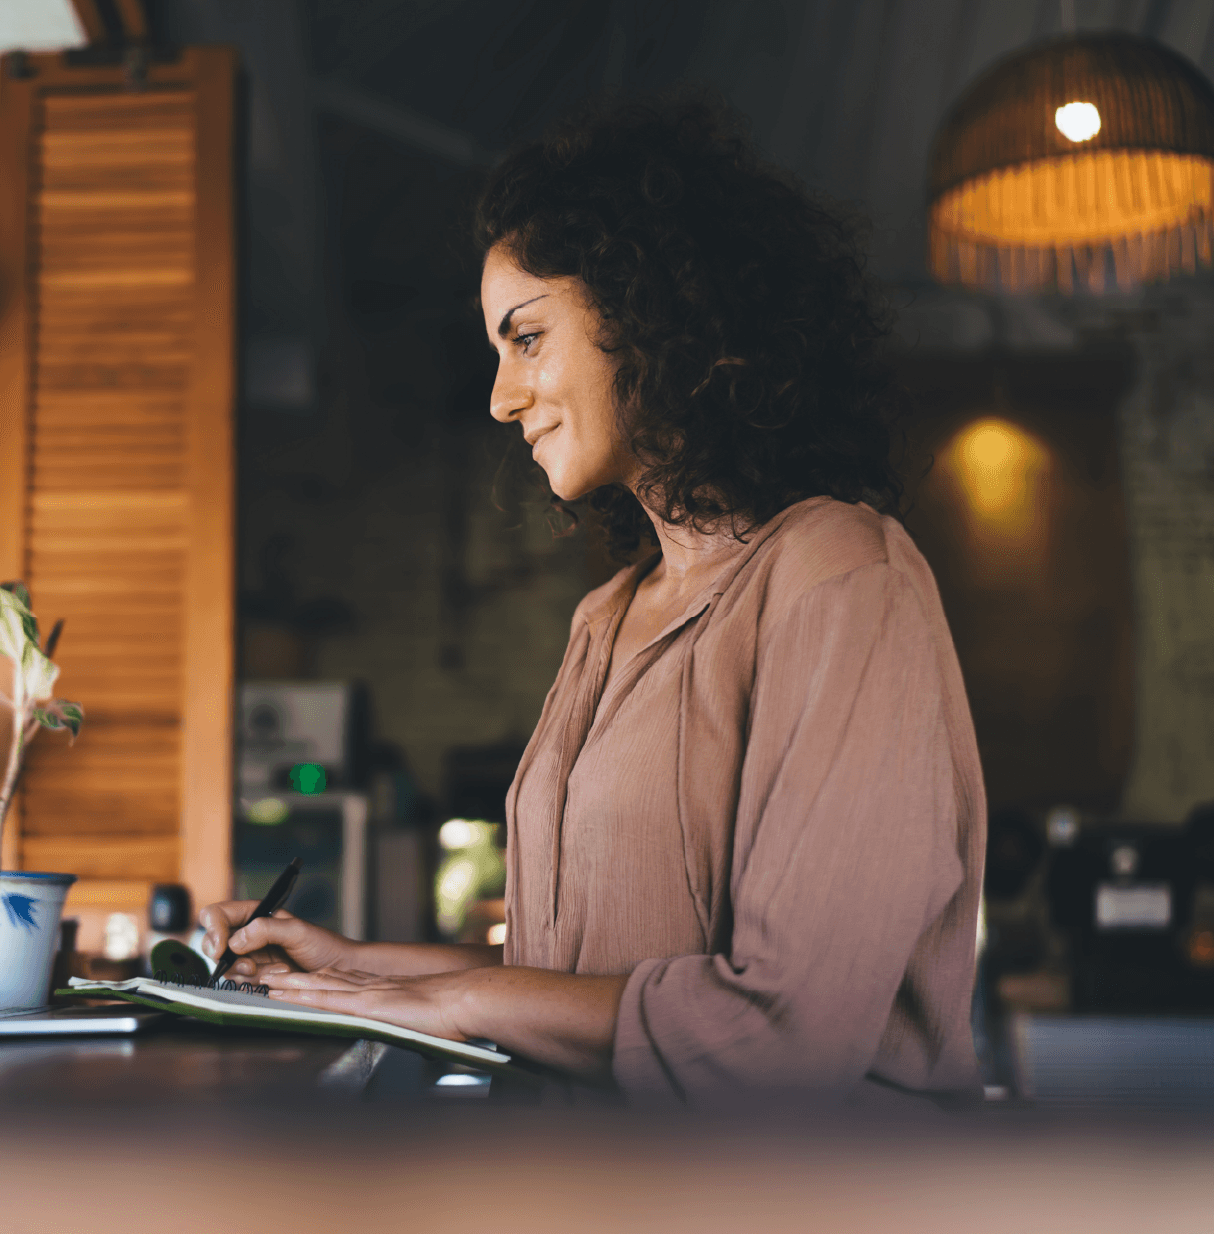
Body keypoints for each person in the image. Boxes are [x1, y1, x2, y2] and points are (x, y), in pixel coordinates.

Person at [203, 96, 984, 1107]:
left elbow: (784, 1036)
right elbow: (571, 974)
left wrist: (456, 1001)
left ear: (651, 317)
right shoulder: (605, 616)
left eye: (526, 338)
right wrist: (356, 963)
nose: (500, 398)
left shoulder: (841, 575)